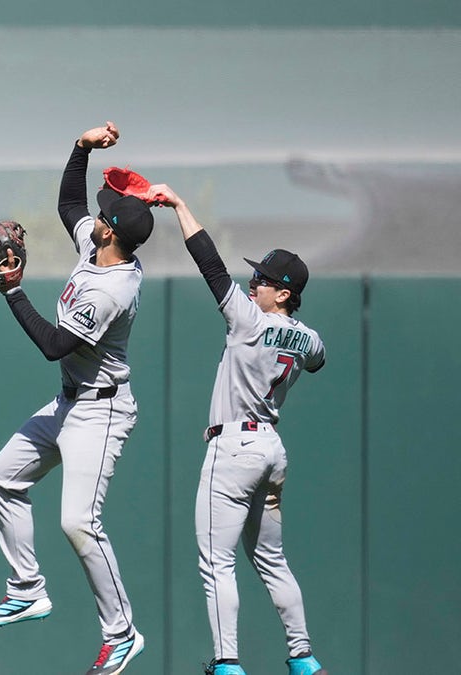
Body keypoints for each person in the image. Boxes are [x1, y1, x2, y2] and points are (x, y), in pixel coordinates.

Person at [0, 121, 154, 675]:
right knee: (1, 476)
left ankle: (121, 633)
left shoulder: (111, 287)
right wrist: (80, 146)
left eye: (103, 214)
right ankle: (27, 588)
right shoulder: (99, 246)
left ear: (110, 232)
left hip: (101, 412)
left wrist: (13, 290)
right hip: (71, 401)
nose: (92, 216)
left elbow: (54, 345)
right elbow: (68, 200)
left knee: (79, 522)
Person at [149, 183, 328, 675]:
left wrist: (180, 207)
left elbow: (209, 264)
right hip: (270, 449)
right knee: (273, 562)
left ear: (285, 292)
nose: (254, 284)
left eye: (265, 280)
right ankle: (304, 658)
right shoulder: (310, 337)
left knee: (216, 564)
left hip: (234, 449)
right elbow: (315, 361)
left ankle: (227, 663)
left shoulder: (248, 320)